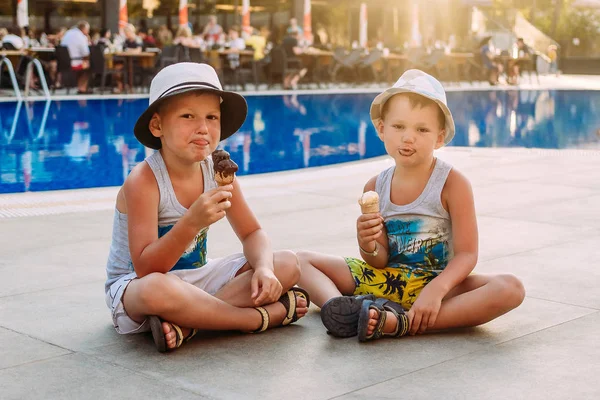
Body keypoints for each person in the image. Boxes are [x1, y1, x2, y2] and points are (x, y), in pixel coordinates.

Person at [297, 69, 525, 342]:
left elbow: (466, 255)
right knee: (300, 261)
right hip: (386, 280)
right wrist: (367, 243)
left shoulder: (452, 184)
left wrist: (436, 291)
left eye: (421, 129)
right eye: (399, 127)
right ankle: (348, 310)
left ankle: (402, 322)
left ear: (439, 138)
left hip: (438, 283)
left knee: (511, 288)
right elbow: (379, 260)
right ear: (382, 129)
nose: (408, 137)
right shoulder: (374, 187)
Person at [104, 63, 309, 353]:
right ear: (157, 125)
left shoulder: (217, 170)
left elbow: (252, 233)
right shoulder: (144, 180)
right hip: (139, 288)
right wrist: (190, 223)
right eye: (188, 116)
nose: (203, 127)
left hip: (197, 282)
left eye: (212, 117)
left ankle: (189, 325)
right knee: (156, 289)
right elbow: (145, 267)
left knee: (287, 263)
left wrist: (264, 268)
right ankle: (252, 319)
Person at [60, 21, 92, 94]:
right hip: (73, 62)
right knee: (91, 65)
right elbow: (86, 53)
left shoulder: (68, 33)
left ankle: (80, 87)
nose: (88, 31)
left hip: (63, 62)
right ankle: (82, 88)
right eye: (88, 29)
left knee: (84, 63)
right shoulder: (81, 36)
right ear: (84, 29)